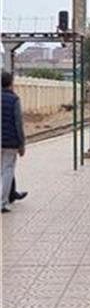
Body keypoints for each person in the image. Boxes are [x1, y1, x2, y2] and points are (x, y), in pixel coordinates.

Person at [1, 71, 26, 213]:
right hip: (10, 142)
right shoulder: (14, 100)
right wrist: (22, 143)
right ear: (11, 83)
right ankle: (3, 202)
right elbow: (18, 123)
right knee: (7, 170)